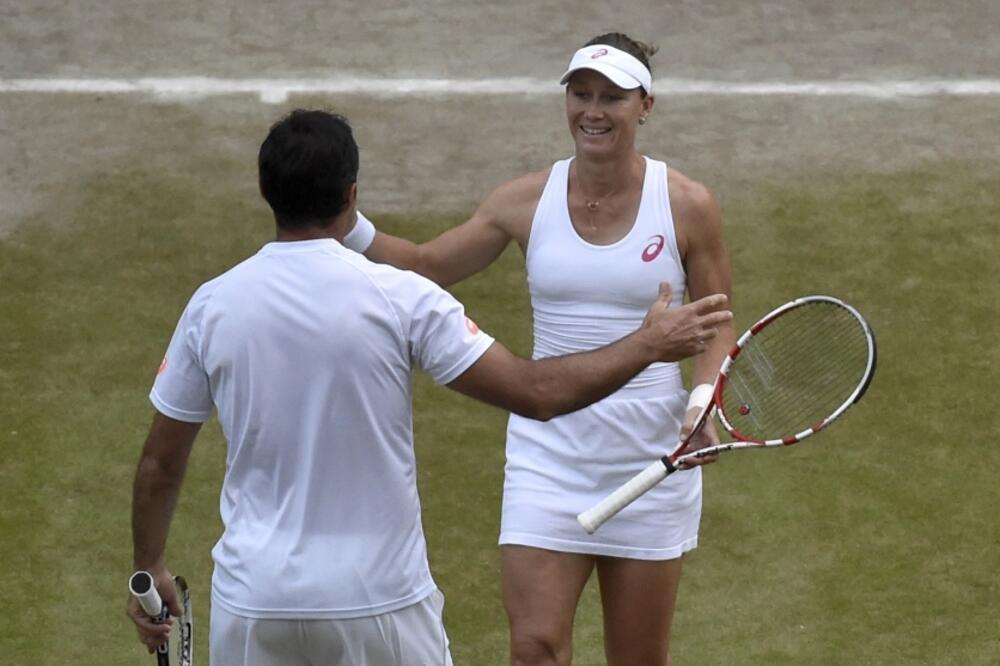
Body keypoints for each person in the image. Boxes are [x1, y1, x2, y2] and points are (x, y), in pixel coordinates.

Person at [125, 109, 731, 665]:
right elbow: (537, 393)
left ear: (266, 191)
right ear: (351, 195)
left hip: (254, 602)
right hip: (382, 600)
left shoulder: (210, 306)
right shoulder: (402, 299)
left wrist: (148, 567)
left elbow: (159, 464)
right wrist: (647, 345)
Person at [344, 32, 738, 665]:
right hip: (547, 459)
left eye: (612, 97)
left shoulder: (688, 205)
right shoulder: (523, 200)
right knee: (534, 648)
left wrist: (700, 405)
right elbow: (425, 265)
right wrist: (344, 223)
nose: (592, 111)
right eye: (581, 94)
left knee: (638, 658)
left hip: (650, 457)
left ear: (645, 106)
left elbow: (716, 323)